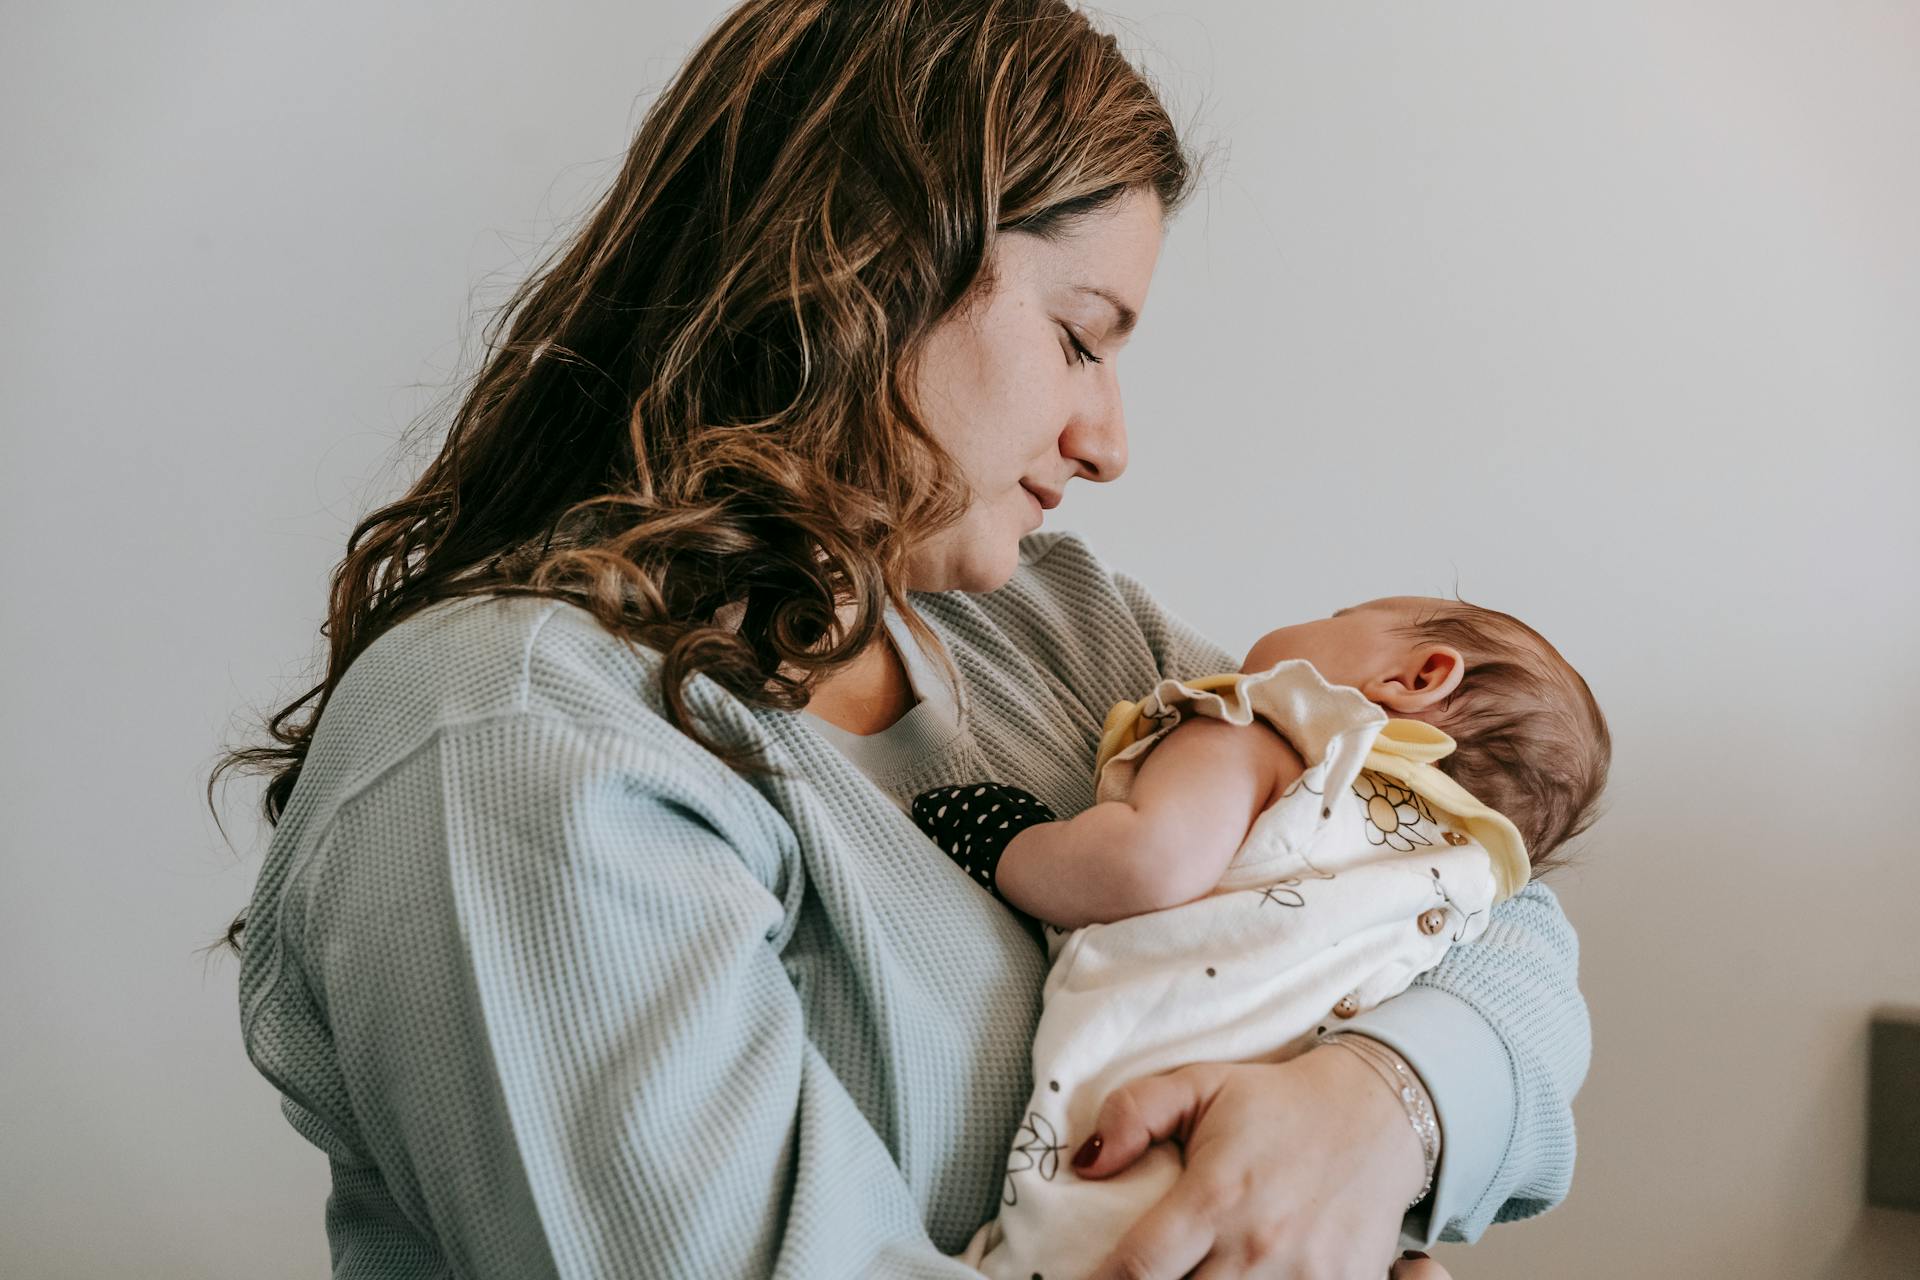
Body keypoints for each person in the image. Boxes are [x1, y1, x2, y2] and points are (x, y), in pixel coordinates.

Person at [217, 2, 1589, 1276]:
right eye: (1079, 337)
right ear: (864, 267)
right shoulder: (522, 738)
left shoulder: (1056, 623)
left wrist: (1375, 1111)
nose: (1108, 442)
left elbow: (1484, 887)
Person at [906, 596, 1609, 1278]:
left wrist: (1006, 839)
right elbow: (1528, 987)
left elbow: (1147, 863)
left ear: (1416, 677)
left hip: (1140, 1159)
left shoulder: (1263, 726)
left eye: (1341, 616)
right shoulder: (1462, 874)